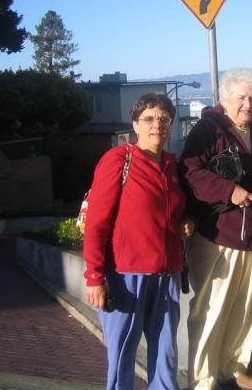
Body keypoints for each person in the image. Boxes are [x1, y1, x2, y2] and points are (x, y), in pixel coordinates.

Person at [83, 93, 194, 390]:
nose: (157, 125)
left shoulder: (172, 164)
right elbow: (96, 223)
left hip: (167, 274)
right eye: (149, 119)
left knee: (166, 355)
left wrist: (186, 221)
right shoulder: (119, 160)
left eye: (163, 119)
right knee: (122, 357)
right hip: (125, 275)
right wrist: (94, 275)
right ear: (135, 124)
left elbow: (176, 211)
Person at [179, 68, 252, 390]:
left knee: (244, 310)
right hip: (218, 234)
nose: (248, 104)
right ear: (225, 99)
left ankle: (234, 369)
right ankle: (202, 381)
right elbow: (189, 172)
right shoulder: (209, 129)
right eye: (242, 97)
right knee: (210, 311)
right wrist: (228, 191)